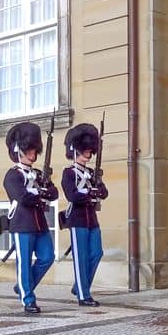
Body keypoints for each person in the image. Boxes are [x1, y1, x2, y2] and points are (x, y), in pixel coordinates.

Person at [4, 122, 58, 314]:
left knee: (47, 257)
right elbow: (23, 197)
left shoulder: (38, 174)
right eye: (28, 150)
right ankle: (28, 299)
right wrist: (40, 193)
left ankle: (23, 286)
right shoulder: (12, 175)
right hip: (22, 223)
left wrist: (43, 191)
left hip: (39, 223)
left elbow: (54, 193)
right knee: (24, 262)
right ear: (19, 150)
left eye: (34, 150)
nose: (32, 154)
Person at [61, 123, 107, 306]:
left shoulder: (92, 173)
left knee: (96, 253)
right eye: (85, 150)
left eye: (89, 151)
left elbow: (104, 192)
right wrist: (90, 193)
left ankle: (80, 285)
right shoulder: (69, 173)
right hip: (77, 219)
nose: (88, 154)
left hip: (91, 219)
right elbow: (71, 194)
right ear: (76, 150)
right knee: (80, 257)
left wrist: (98, 187)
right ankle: (83, 294)